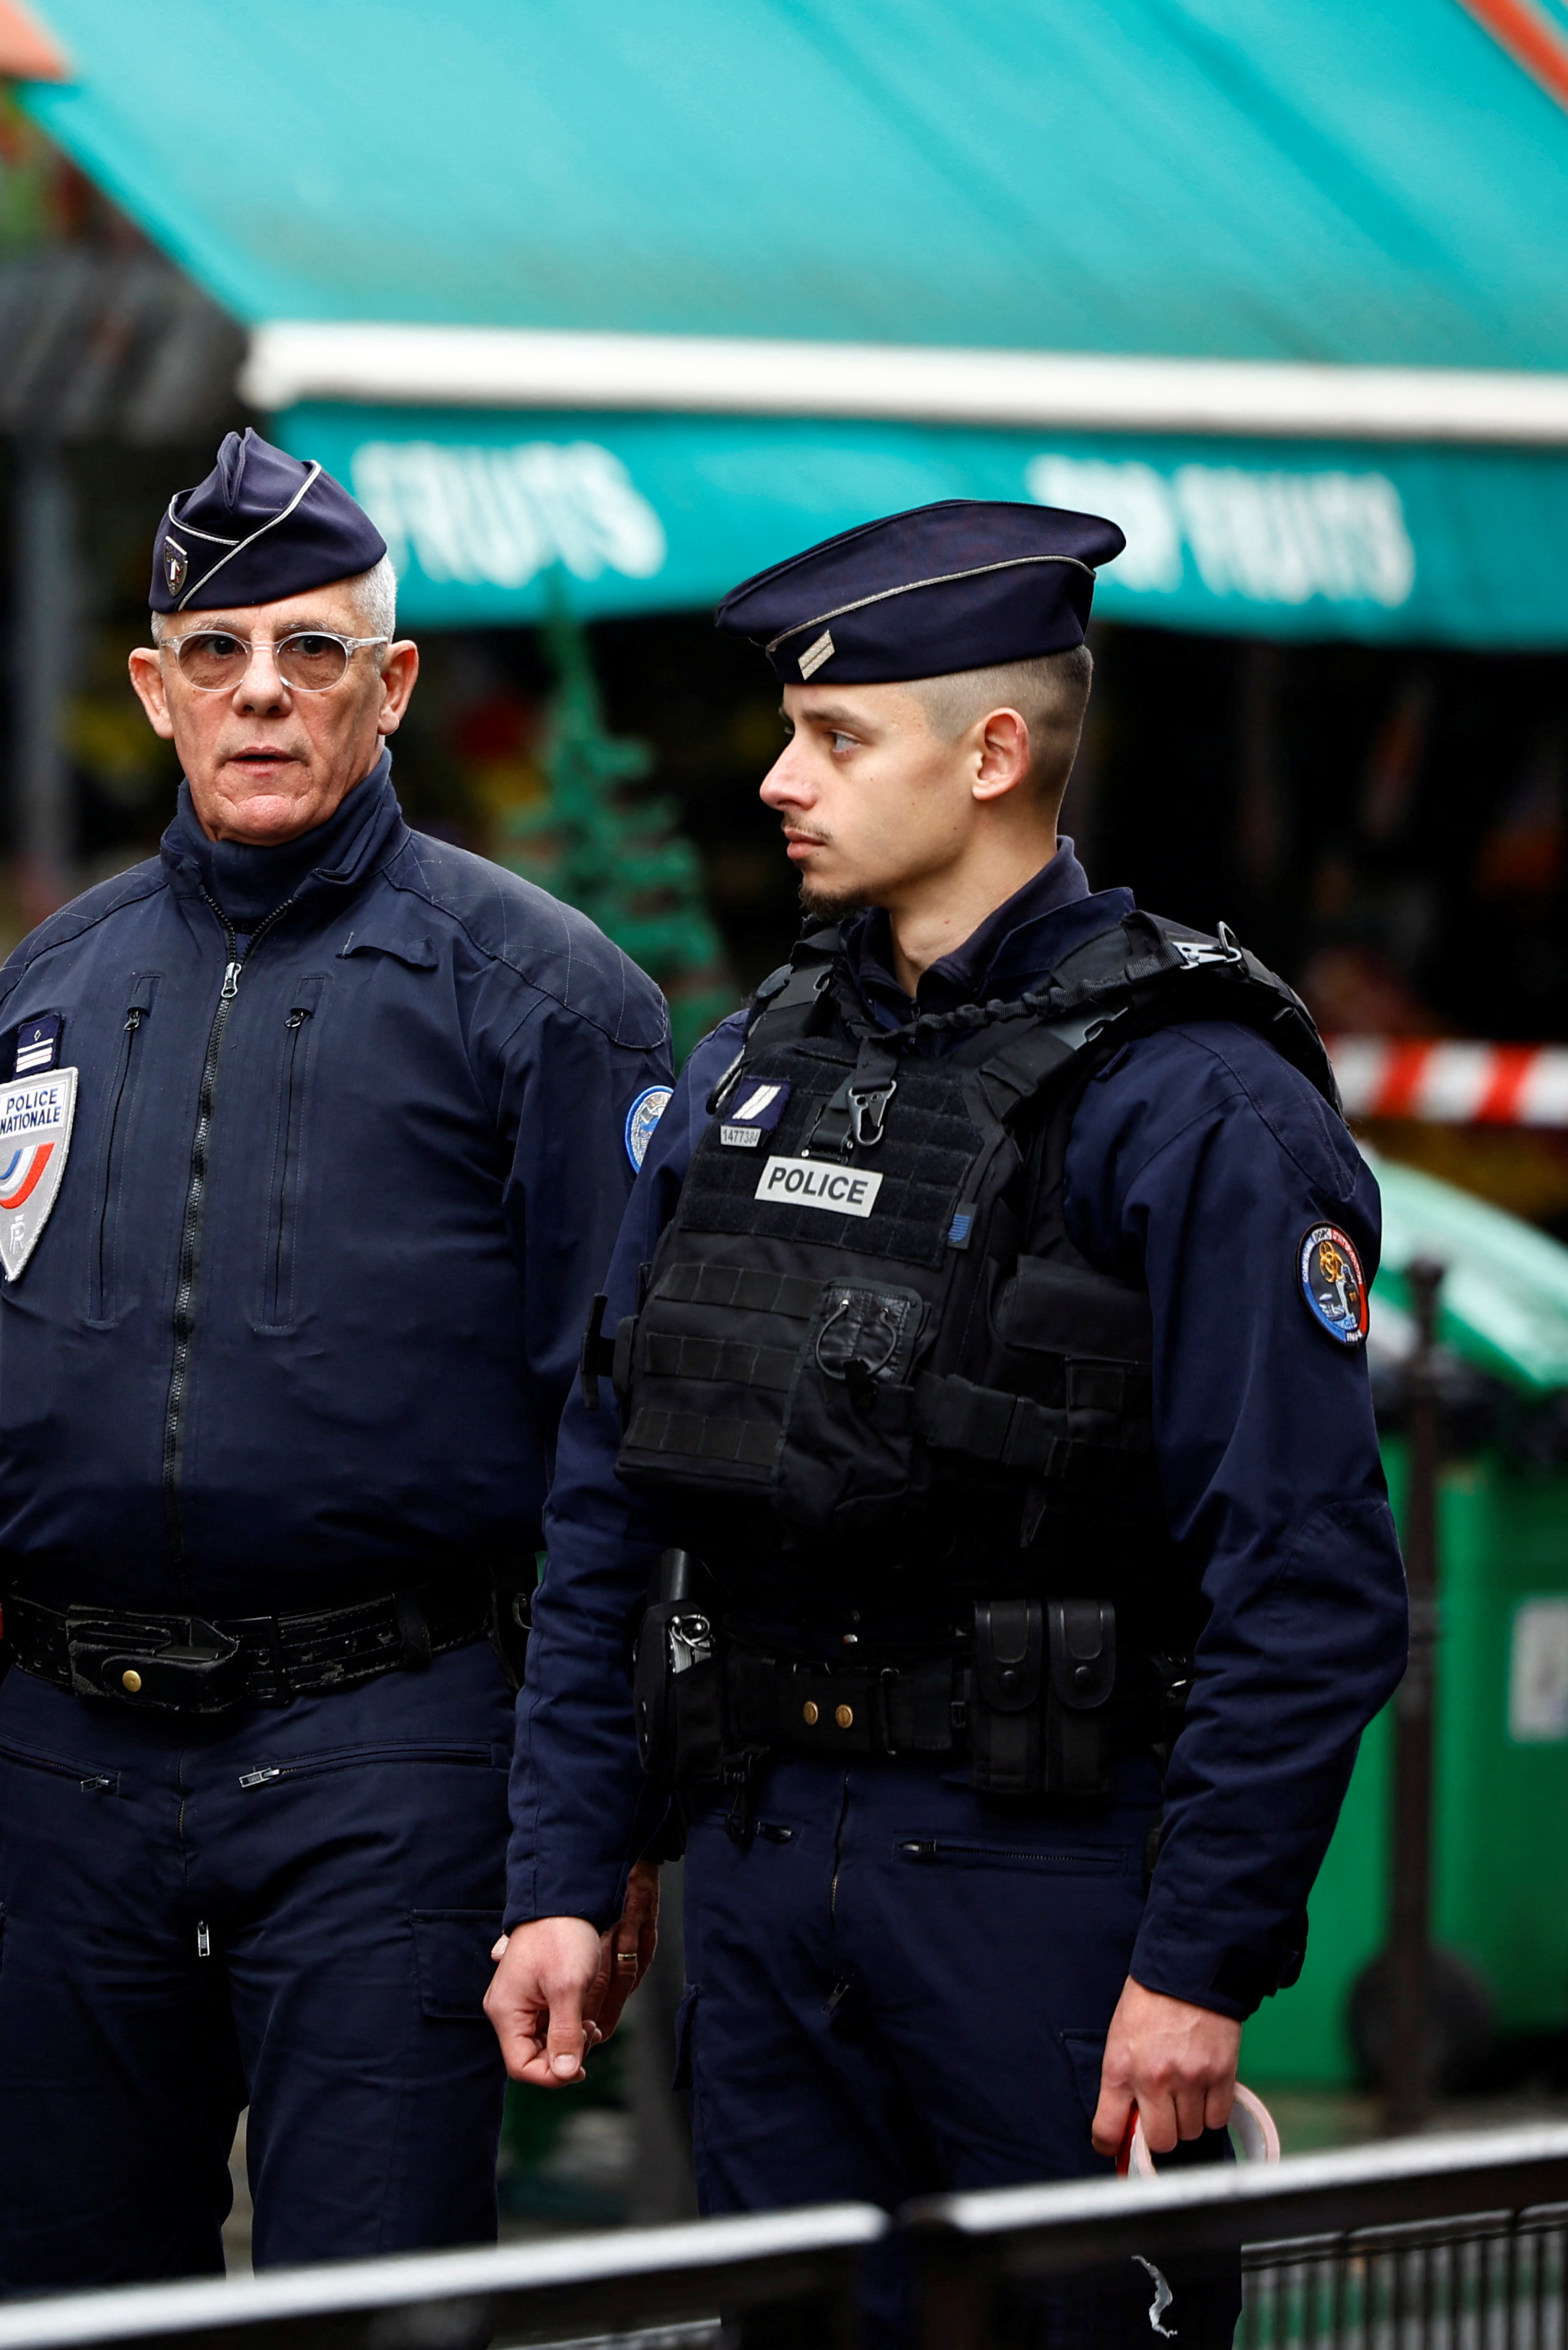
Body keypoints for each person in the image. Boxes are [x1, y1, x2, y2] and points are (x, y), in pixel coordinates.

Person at [484, 501, 1407, 2347]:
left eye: (836, 739)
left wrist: (1197, 1966)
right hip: (760, 1867)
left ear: (995, 755)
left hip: (1046, 1884)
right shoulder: (753, 1064)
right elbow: (608, 1495)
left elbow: (1307, 1586)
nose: (777, 781)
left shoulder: (1196, 1100)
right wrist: (570, 1873)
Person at [0, 431, 671, 2296]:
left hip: (391, 1750)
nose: (262, 690)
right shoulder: (50, 991)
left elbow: (624, 1450)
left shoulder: (543, 998)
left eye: (311, 650)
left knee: (378, 2302)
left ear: (392, 682)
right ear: (154, 686)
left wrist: (589, 1829)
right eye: (217, 653)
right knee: (60, 2309)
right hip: (76, 1766)